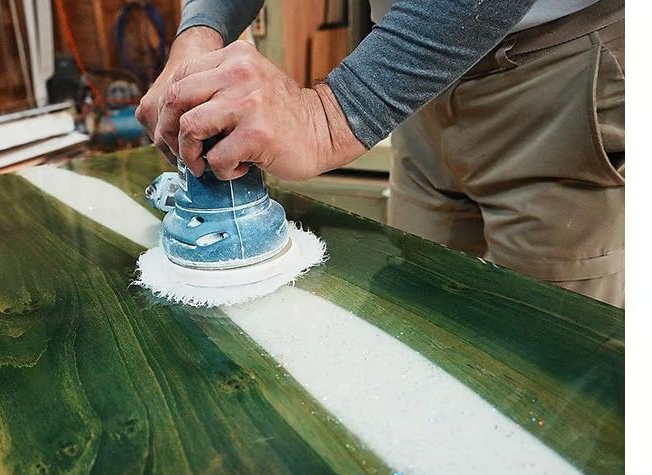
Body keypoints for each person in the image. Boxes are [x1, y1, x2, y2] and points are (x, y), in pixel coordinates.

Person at [135, 0, 625, 308]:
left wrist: (329, 116)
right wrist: (202, 29)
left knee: (549, 349)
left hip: (557, 65)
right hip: (416, 77)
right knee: (415, 306)